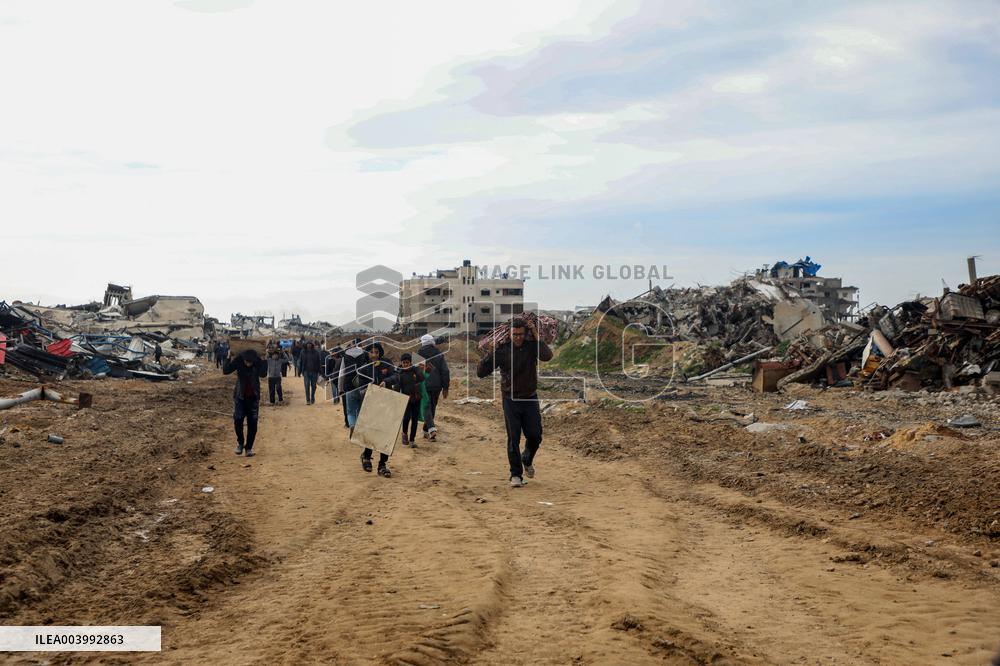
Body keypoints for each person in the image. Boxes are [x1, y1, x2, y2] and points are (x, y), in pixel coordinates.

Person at [476, 317, 553, 487]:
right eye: (515, 334)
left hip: (530, 397)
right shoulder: (502, 350)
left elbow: (547, 356)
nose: (518, 337)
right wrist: (490, 353)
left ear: (525, 334)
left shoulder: (532, 347)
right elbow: (480, 373)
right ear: (509, 334)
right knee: (514, 437)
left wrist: (535, 333)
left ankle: (527, 458)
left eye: (521, 334)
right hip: (510, 399)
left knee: (535, 436)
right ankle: (515, 474)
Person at [224, 349, 267, 456]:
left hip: (253, 397)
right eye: (246, 362)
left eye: (250, 362)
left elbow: (263, 374)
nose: (248, 364)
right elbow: (226, 371)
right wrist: (228, 357)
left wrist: (265, 360)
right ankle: (240, 443)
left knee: (252, 424)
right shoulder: (238, 360)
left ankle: (249, 448)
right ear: (243, 359)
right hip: (240, 397)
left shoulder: (257, 362)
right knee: (238, 420)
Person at [417, 334, 450, 441]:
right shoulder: (439, 354)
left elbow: (416, 372)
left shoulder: (418, 354)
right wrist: (446, 387)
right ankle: (427, 430)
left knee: (426, 407)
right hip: (437, 386)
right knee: (432, 407)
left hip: (424, 384)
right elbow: (445, 371)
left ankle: (431, 429)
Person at [393, 352, 424, 448]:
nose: (405, 365)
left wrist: (417, 369)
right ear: (401, 362)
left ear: (410, 362)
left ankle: (412, 440)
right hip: (406, 399)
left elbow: (422, 378)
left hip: (416, 398)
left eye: (407, 363)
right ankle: (404, 434)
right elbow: (397, 387)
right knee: (406, 418)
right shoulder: (399, 373)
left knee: (415, 419)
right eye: (404, 363)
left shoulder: (415, 370)